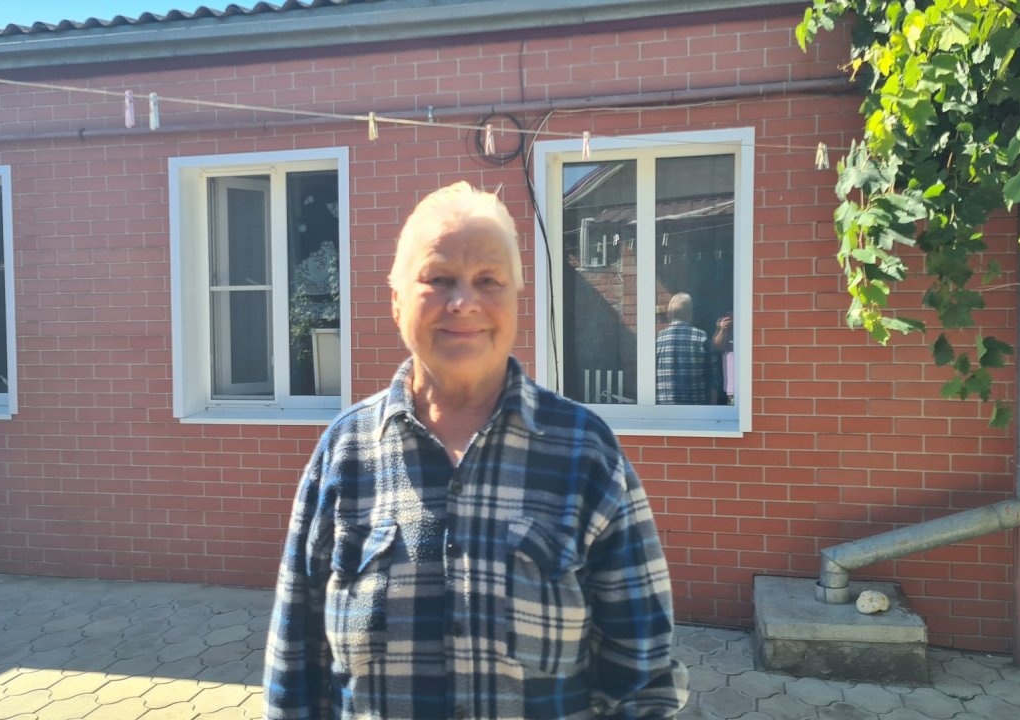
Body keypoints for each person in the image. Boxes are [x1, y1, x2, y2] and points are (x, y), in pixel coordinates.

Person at [263, 181, 689, 719]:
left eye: (488, 280)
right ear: (396, 302)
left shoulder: (585, 454)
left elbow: (644, 682)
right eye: (438, 279)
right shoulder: (345, 454)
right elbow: (294, 667)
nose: (463, 302)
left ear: (515, 301)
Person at [654, 294, 720, 405]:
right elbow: (713, 377)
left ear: (669, 315)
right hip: (695, 408)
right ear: (690, 314)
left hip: (664, 408)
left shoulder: (657, 339)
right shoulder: (701, 336)